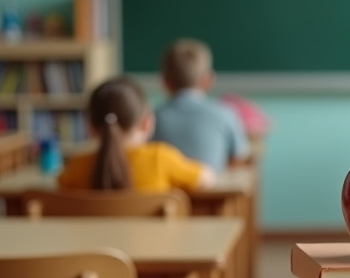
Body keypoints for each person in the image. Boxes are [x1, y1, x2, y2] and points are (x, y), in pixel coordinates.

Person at [58, 76, 215, 192]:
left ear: (90, 127)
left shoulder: (78, 166)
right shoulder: (160, 158)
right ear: (146, 123)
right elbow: (205, 178)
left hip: (92, 238)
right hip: (154, 238)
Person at [152, 39, 250, 172]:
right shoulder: (225, 114)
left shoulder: (150, 119)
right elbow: (238, 157)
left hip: (164, 193)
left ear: (165, 81)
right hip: (216, 191)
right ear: (208, 80)